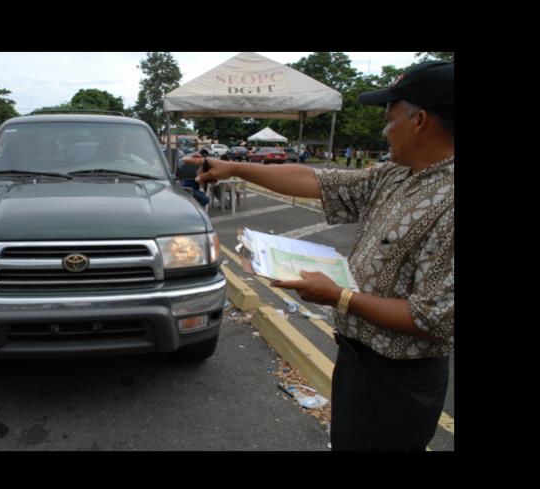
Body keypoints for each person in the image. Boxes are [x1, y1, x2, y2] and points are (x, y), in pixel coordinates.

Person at [188, 60, 454, 451]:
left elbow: (434, 318)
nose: (385, 130)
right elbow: (316, 180)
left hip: (400, 380)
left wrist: (340, 297)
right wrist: (233, 168)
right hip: (356, 360)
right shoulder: (396, 174)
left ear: (420, 121)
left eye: (389, 119)